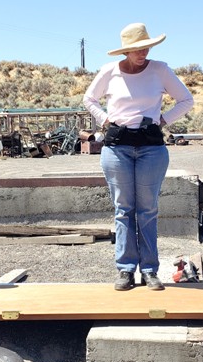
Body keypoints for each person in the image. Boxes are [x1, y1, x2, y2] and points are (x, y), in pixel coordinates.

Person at [83, 23, 194, 291]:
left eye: (146, 47)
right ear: (125, 51)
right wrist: (105, 119)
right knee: (124, 209)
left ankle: (149, 270)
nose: (142, 52)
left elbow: (186, 100)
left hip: (150, 148)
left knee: (147, 210)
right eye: (136, 49)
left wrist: (162, 120)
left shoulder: (160, 69)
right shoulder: (109, 72)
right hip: (117, 147)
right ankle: (125, 270)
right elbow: (89, 99)